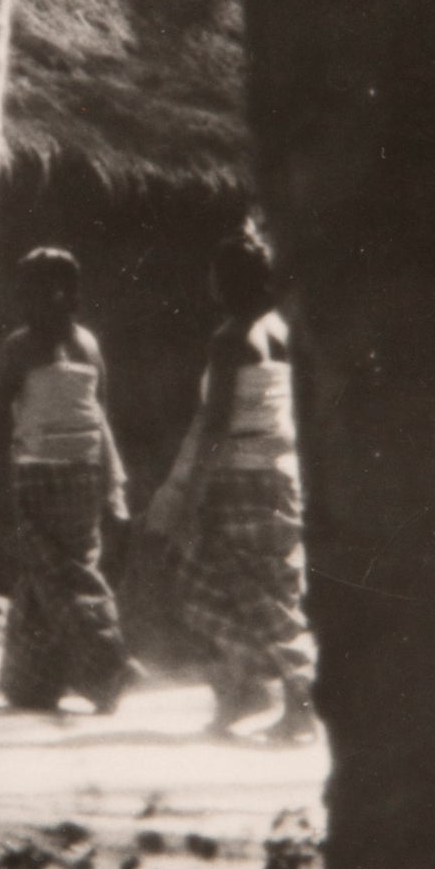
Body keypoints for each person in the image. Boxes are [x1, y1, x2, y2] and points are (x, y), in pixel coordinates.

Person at [147, 233, 317, 741]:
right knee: (269, 591)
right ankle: (250, 689)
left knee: (206, 583)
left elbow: (216, 427)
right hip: (282, 474)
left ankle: (295, 699)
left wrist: (187, 498)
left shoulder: (229, 340)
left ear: (225, 284)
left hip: (241, 480)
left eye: (217, 277)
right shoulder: (281, 331)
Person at [0, 247, 137, 714]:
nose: (24, 301)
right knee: (56, 572)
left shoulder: (20, 347)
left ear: (63, 293)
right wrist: (110, 482)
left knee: (57, 573)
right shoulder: (87, 344)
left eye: (33, 291)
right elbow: (99, 416)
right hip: (82, 476)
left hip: (43, 476)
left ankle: (111, 662)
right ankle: (33, 682)